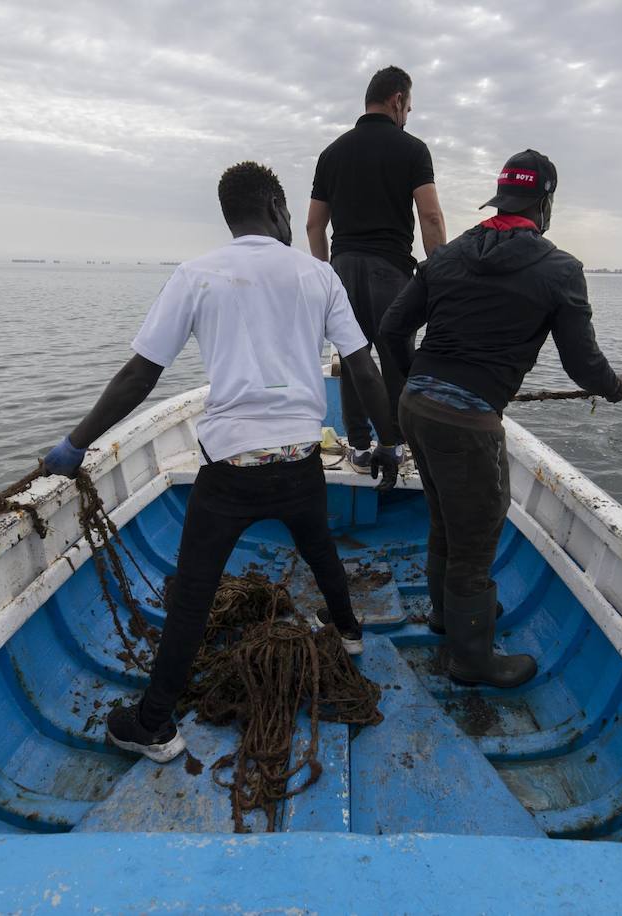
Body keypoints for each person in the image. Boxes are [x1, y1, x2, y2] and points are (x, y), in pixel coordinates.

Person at [40, 162, 402, 764]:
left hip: (230, 468)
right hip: (299, 458)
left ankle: (154, 724)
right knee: (319, 548)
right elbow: (362, 367)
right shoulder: (317, 275)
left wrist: (76, 442)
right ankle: (349, 634)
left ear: (230, 216)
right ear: (279, 208)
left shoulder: (196, 275)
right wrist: (389, 442)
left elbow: (141, 373)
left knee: (194, 594)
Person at [379, 149, 622, 689]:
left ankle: (449, 618)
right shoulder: (560, 270)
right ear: (544, 203)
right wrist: (615, 388)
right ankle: (469, 662)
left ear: (499, 198)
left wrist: (417, 383)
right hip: (467, 420)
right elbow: (584, 365)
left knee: (446, 518)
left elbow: (390, 329)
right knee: (477, 533)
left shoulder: (446, 257)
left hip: (415, 408)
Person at [306, 65, 446, 474]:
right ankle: (400, 446)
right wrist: (439, 277)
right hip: (391, 271)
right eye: (408, 107)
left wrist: (325, 276)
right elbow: (431, 217)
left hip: (343, 269)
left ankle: (361, 448)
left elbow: (315, 224)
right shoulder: (412, 149)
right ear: (397, 100)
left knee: (353, 359)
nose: (408, 116)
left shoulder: (331, 153)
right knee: (399, 358)